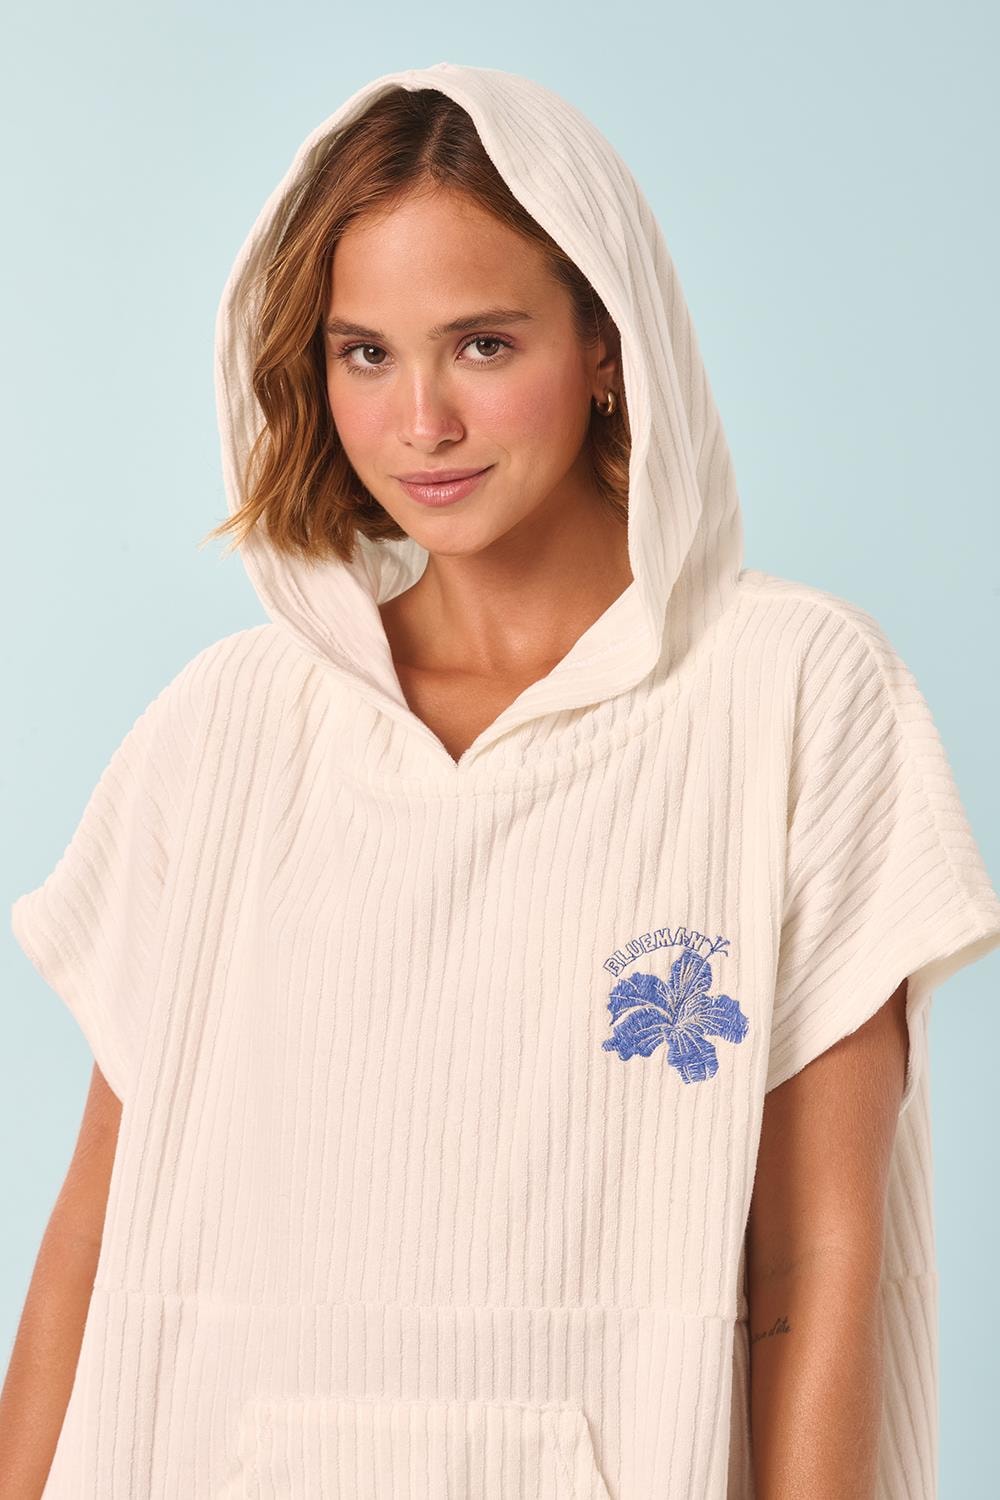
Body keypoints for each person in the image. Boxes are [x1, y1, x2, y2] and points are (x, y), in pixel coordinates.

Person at [3, 59, 999, 1500]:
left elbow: (816, 1261)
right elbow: (93, 1240)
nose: (423, 423)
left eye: (481, 344)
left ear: (606, 344)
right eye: (364, 354)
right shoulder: (225, 731)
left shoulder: (792, 694)